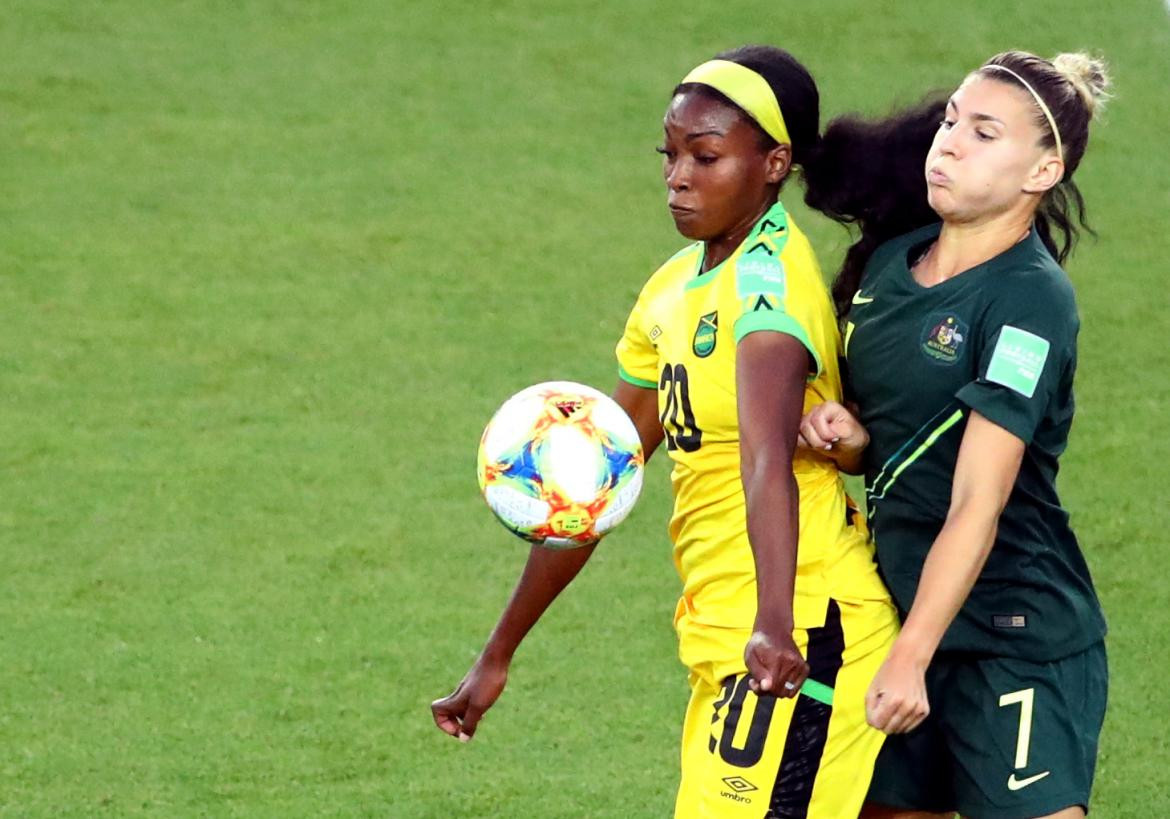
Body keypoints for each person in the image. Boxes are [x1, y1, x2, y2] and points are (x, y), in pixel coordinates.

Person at [431, 45, 900, 817]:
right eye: (671, 154)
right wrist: (498, 652)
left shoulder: (768, 285)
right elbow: (592, 486)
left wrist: (776, 625)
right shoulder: (673, 288)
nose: (678, 176)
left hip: (797, 634)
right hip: (723, 636)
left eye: (706, 156)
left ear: (775, 162)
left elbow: (763, 463)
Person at [798, 51, 1110, 819]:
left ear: (1042, 172)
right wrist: (855, 445)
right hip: (900, 607)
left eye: (984, 131)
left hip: (1011, 631)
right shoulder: (891, 269)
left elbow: (978, 497)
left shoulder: (1030, 301)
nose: (949, 142)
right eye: (950, 120)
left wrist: (912, 657)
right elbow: (916, 438)